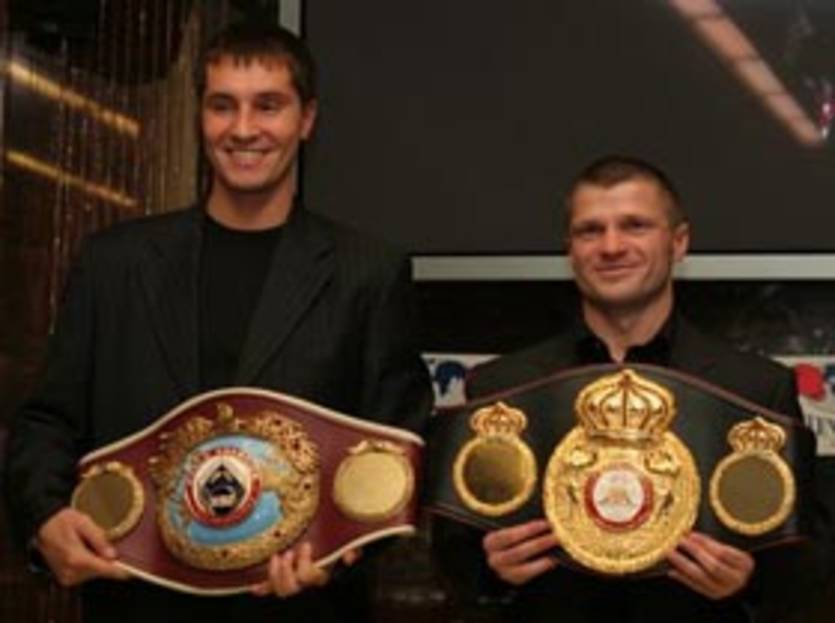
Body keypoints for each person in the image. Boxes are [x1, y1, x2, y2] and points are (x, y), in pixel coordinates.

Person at [5, 22, 431, 623]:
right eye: (222, 105)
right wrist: (46, 518)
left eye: (269, 106)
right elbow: (47, 422)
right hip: (137, 603)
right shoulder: (114, 263)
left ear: (307, 119)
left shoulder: (370, 272)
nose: (244, 128)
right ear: (200, 117)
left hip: (298, 610)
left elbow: (398, 445)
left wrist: (339, 553)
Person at [434, 155, 827, 623]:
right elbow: (454, 554)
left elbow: (806, 567)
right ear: (570, 249)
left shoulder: (756, 388)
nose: (611, 246)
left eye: (635, 225)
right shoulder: (502, 387)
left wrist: (749, 582)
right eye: (590, 231)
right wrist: (493, 573)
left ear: (679, 242)